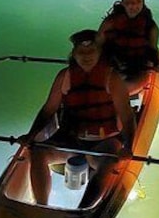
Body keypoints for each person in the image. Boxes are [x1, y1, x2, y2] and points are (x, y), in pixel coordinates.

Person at [19, 29, 137, 206]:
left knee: (109, 163)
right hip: (71, 139)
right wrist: (31, 135)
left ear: (100, 53)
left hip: (104, 140)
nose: (86, 56)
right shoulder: (64, 76)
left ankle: (83, 210)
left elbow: (127, 117)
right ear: (74, 54)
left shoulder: (112, 78)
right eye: (81, 52)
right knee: (37, 152)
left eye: (91, 52)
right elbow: (48, 110)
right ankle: (41, 205)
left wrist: (128, 146)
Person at [97, 0, 159, 96]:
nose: (134, 7)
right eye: (129, 3)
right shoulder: (110, 22)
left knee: (120, 88)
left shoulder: (150, 27)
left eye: (138, 2)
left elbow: (152, 50)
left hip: (137, 68)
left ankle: (117, 97)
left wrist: (157, 64)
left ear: (143, 2)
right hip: (114, 64)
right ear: (123, 2)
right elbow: (98, 44)